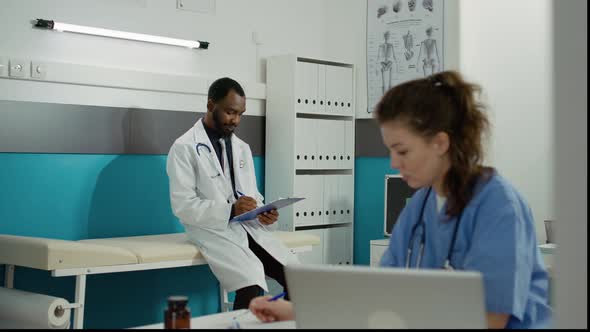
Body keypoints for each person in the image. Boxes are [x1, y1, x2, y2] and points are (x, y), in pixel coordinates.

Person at [248, 71, 553, 329]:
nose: (394, 162)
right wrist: (299, 311)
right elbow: (383, 294)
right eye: (390, 150)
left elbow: (491, 319)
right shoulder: (419, 206)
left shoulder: (498, 207)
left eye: (402, 151)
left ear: (440, 143)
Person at [166, 77, 298, 310]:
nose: (235, 120)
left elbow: (252, 195)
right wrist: (230, 210)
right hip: (211, 229)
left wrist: (263, 213)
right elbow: (183, 206)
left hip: (248, 227)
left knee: (298, 278)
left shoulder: (241, 148)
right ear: (210, 106)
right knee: (251, 283)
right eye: (230, 112)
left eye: (240, 114)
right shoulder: (184, 147)